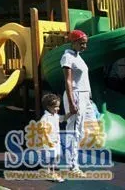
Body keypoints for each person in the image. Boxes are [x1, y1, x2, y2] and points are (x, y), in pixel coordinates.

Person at [60, 29, 96, 176]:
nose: (84, 46)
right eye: (82, 43)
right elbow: (68, 81)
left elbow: (83, 79)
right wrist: (71, 102)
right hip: (75, 95)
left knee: (91, 127)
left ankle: (69, 153)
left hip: (85, 96)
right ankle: (72, 166)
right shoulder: (67, 57)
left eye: (85, 43)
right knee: (74, 130)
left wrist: (89, 98)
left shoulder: (78, 57)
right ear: (73, 42)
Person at [40, 93, 71, 182]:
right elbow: (43, 131)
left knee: (56, 155)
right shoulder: (45, 118)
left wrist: (71, 113)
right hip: (49, 141)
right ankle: (50, 173)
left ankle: (48, 170)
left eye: (58, 106)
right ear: (48, 107)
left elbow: (63, 118)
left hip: (55, 140)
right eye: (55, 107)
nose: (58, 108)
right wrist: (48, 141)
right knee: (52, 157)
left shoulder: (55, 115)